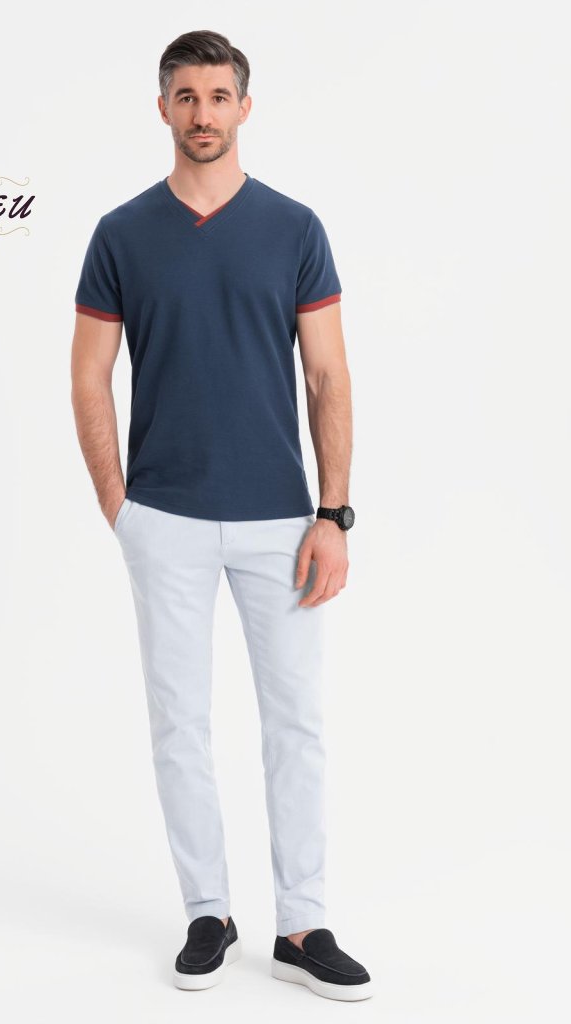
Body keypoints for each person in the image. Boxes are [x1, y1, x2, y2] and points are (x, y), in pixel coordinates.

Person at [70, 29, 372, 1002]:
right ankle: (209, 911)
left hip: (280, 522)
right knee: (179, 724)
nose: (203, 114)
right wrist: (120, 505)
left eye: (218, 95)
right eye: (186, 96)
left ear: (245, 106)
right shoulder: (121, 234)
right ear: (163, 108)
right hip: (163, 517)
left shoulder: (294, 228)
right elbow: (89, 376)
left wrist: (333, 514)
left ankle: (302, 923)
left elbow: (327, 376)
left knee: (296, 722)